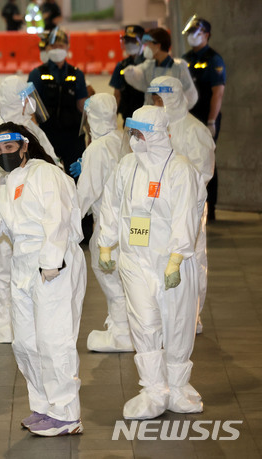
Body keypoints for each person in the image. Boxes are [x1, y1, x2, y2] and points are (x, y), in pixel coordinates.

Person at [0, 122, 86, 436]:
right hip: (22, 264)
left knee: (54, 340)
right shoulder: (8, 183)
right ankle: (43, 407)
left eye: (8, 147)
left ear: (24, 146)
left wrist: (52, 260)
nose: (2, 154)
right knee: (25, 342)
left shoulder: (45, 173)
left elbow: (58, 217)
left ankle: (66, 413)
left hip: (53, 262)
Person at [98, 105, 206, 419]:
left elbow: (187, 215)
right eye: (131, 131)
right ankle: (154, 390)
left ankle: (178, 386)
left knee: (177, 324)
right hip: (134, 259)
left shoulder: (180, 168)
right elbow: (111, 205)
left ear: (156, 134)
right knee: (143, 323)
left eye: (140, 132)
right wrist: (106, 246)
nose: (134, 138)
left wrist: (176, 258)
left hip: (170, 261)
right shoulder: (127, 165)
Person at [0, 75, 60, 344]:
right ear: (15, 99)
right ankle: (4, 324)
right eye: (26, 98)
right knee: (2, 272)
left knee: (29, 270)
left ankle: (27, 323)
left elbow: (51, 162)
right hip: (0, 211)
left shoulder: (31, 129)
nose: (30, 103)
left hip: (31, 215)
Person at [147, 75, 215, 333]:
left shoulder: (195, 130)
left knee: (192, 260)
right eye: (153, 99)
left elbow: (203, 173)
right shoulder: (154, 128)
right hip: (158, 209)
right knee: (160, 260)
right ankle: (164, 315)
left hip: (188, 209)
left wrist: (178, 195)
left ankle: (192, 316)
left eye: (160, 98)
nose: (157, 103)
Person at [73, 94, 132, 352]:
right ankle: (131, 328)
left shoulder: (96, 149)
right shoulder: (122, 139)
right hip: (128, 225)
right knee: (127, 279)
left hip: (107, 227)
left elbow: (85, 194)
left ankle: (122, 334)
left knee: (111, 278)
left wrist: (65, 225)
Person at [181, 16, 226, 222]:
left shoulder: (214, 59)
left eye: (195, 32)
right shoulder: (185, 59)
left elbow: (218, 93)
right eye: (189, 33)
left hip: (206, 117)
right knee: (188, 160)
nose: (191, 36)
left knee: (207, 162)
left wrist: (211, 121)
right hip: (189, 118)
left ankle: (211, 208)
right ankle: (191, 204)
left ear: (206, 34)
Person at [28, 28, 88, 176]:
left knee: (76, 177)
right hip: (47, 134)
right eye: (53, 46)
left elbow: (83, 107)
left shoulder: (77, 74)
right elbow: (30, 107)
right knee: (47, 176)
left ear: (67, 48)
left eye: (60, 46)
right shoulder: (37, 74)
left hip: (73, 136)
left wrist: (90, 133)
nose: (57, 50)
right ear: (47, 48)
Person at [123, 28, 198, 110]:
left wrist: (177, 111)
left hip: (171, 117)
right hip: (151, 115)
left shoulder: (178, 67)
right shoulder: (149, 65)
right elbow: (138, 77)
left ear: (158, 45)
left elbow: (191, 95)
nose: (146, 48)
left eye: (148, 44)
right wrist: (131, 72)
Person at [109, 25, 147, 124]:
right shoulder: (121, 66)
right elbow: (117, 96)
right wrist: (112, 120)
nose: (129, 44)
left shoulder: (150, 63)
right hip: (128, 118)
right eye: (127, 40)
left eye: (133, 40)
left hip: (148, 118)